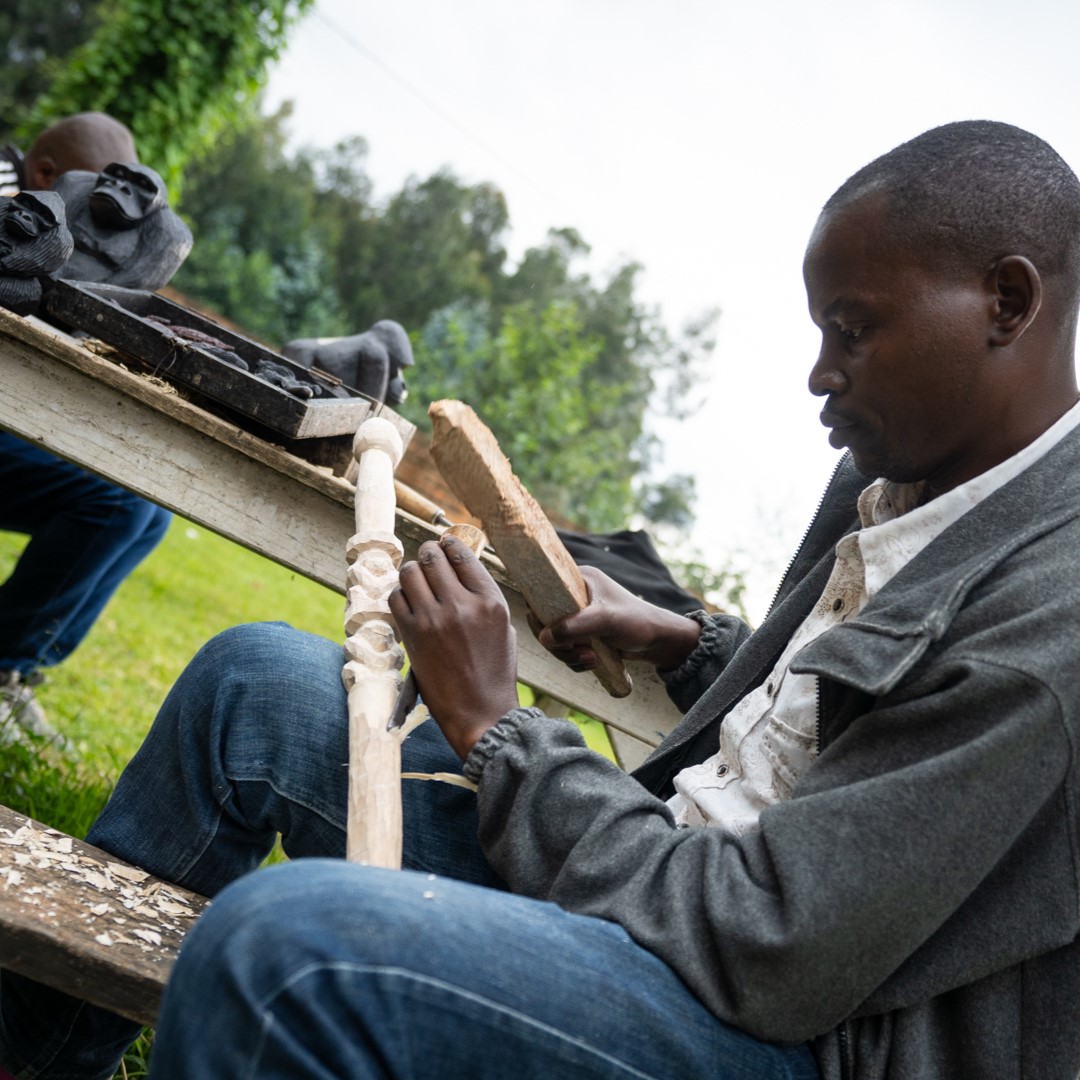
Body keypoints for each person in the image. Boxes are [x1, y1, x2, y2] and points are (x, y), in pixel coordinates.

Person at [3, 118, 1080, 1079]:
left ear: (1009, 302)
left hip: (771, 1024)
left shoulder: (1050, 632)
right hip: (658, 875)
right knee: (251, 684)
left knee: (286, 951)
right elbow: (840, 719)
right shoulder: (908, 474)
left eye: (851, 329)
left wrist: (499, 729)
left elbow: (769, 945)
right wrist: (693, 642)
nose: (819, 373)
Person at [0, 113, 172, 742]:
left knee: (148, 505)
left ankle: (15, 670)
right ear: (47, 174)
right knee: (114, 501)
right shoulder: (13, 201)